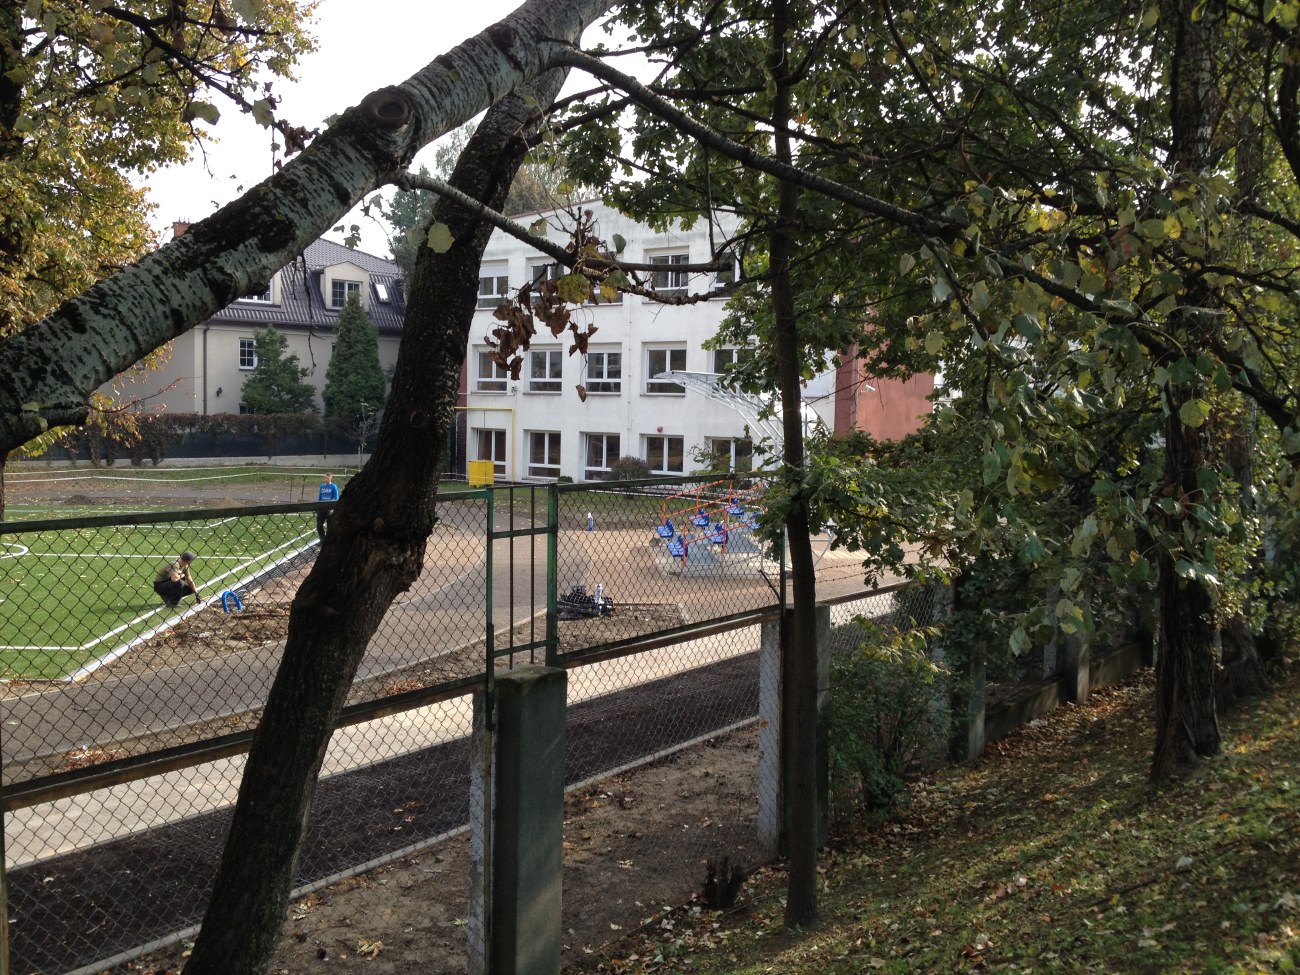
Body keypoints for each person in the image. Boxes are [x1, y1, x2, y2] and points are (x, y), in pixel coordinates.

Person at [317, 472, 340, 540]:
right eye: (325, 478)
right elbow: (320, 497)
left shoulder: (334, 487)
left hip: (329, 508)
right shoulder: (322, 486)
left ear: (331, 478)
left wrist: (332, 509)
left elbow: (336, 498)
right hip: (322, 508)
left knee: (330, 526)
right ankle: (322, 538)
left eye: (327, 478)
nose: (326, 479)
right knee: (319, 525)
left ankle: (328, 539)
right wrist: (318, 507)